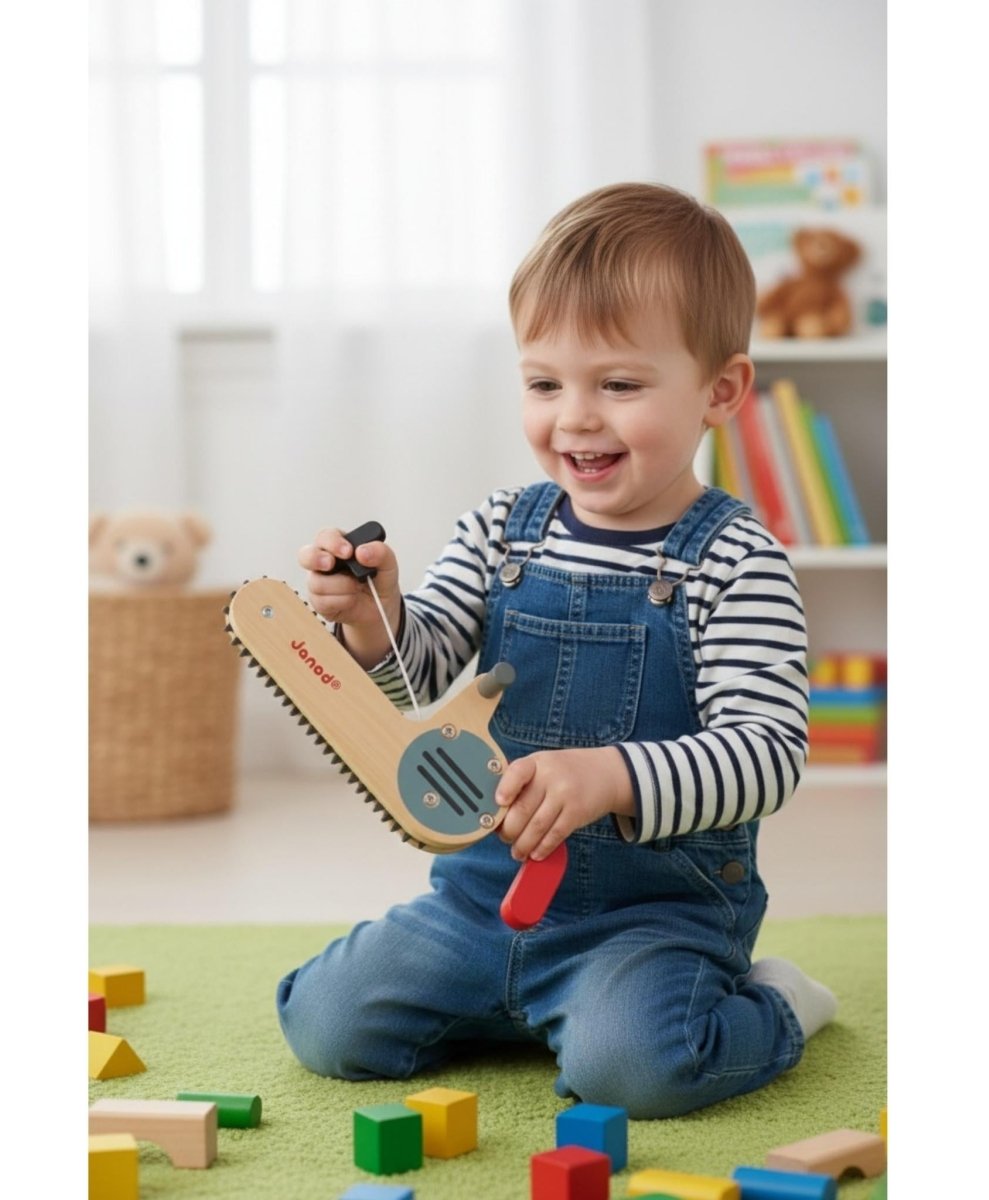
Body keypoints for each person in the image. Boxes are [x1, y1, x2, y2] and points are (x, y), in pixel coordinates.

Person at [275, 182, 836, 1118]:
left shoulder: (739, 561)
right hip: (481, 898)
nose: (574, 417)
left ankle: (776, 1002)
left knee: (637, 1073)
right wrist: (370, 618)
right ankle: (534, 1004)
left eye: (618, 384)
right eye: (545, 383)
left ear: (720, 392)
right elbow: (424, 659)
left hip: (653, 919)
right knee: (324, 1024)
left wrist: (611, 776)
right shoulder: (502, 528)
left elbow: (768, 754)